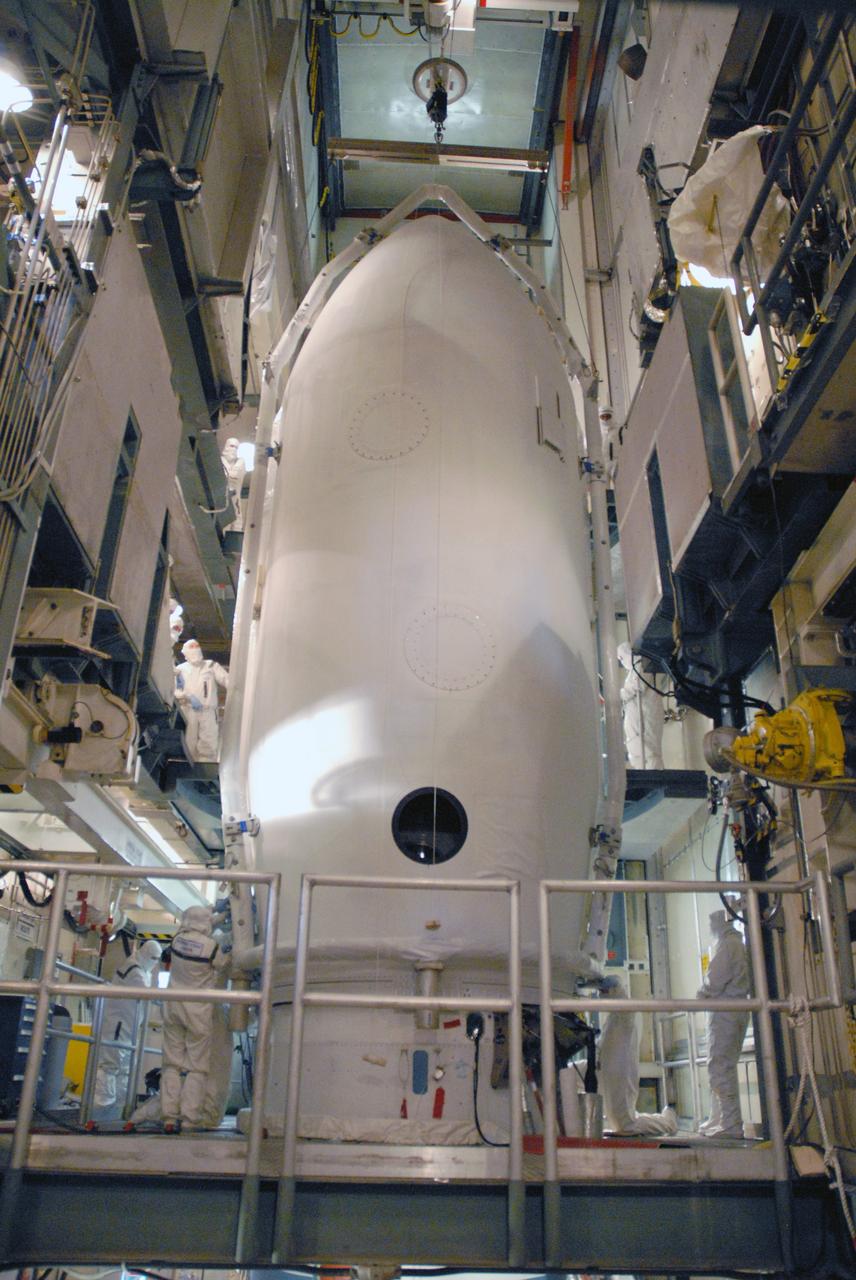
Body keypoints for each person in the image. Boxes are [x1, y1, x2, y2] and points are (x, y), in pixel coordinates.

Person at [160, 905, 232, 1133]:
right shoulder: (211, 947)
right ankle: (189, 1118)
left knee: (171, 1063)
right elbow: (224, 964)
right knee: (197, 1066)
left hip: (173, 1007)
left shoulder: (177, 941)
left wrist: (219, 915)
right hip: (198, 1013)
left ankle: (168, 1117)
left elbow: (196, 927)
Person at [598, 976, 678, 1136]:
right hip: (604, 1065)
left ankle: (668, 1122)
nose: (601, 995)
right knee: (568, 1075)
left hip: (618, 1069)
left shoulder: (626, 1013)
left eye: (604, 991)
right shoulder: (616, 1017)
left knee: (624, 1124)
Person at [93, 939, 162, 1118]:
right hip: (118, 1026)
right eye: (153, 958)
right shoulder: (133, 969)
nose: (155, 962)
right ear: (144, 953)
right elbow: (147, 993)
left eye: (157, 959)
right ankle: (101, 1112)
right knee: (110, 1066)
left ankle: (118, 1111)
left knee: (125, 1069)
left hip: (129, 1027)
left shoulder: (142, 969)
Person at [697, 908, 750, 1139]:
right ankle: (719, 1118)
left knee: (719, 1068)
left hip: (725, 1013)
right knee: (724, 1066)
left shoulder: (727, 945)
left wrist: (700, 995)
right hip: (736, 1011)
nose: (710, 928)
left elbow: (715, 980)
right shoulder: (738, 944)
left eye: (712, 924)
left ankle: (731, 1123)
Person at [174, 639, 228, 762]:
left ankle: (206, 766)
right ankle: (189, 765)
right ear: (185, 653)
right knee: (189, 741)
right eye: (191, 648)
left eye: (196, 647)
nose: (195, 650)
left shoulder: (210, 665)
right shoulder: (180, 669)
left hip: (208, 710)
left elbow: (226, 680)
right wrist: (186, 697)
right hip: (188, 710)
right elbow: (175, 690)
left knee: (208, 739)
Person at [617, 642, 664, 769]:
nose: (622, 662)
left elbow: (637, 687)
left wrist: (616, 695)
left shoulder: (643, 665)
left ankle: (655, 775)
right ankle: (643, 773)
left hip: (645, 715)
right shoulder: (633, 671)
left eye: (622, 658)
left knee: (649, 749)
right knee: (636, 748)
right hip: (635, 718)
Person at [221, 436, 246, 532]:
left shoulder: (241, 462)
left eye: (236, 447)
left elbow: (233, 475)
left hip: (235, 501)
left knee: (236, 527)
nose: (234, 449)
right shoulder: (219, 461)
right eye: (232, 446)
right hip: (221, 501)